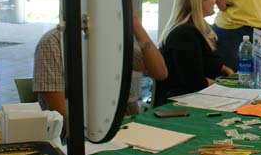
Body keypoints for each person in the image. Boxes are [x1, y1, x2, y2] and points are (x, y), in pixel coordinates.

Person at [33, 14, 167, 120]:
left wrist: (135, 23)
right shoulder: (54, 42)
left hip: (129, 125)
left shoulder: (113, 37)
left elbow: (160, 72)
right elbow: (61, 115)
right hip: (88, 135)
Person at [154, 0, 234, 107]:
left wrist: (223, 69)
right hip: (179, 105)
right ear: (200, 0)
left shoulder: (197, 29)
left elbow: (202, 62)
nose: (216, 0)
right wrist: (224, 87)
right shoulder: (185, 34)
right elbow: (194, 83)